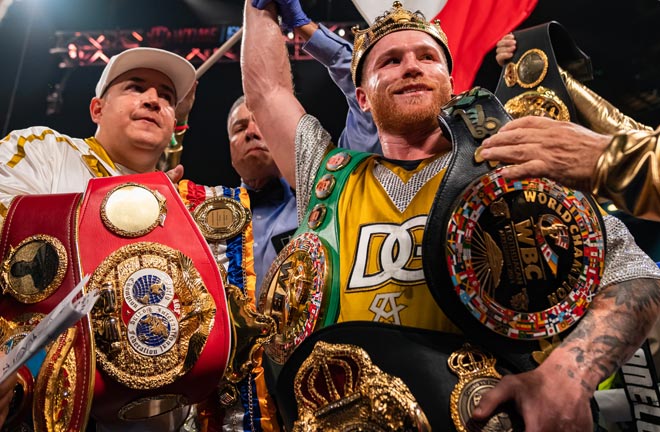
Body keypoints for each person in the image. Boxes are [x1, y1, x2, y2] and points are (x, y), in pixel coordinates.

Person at [241, 1, 660, 430]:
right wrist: (259, 9)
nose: (411, 67)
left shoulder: (513, 166)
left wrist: (570, 376)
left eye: (427, 57)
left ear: (451, 84)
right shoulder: (329, 180)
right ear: (362, 98)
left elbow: (633, 273)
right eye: (390, 60)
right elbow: (267, 92)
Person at [0, 46, 194, 216]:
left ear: (173, 124)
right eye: (136, 87)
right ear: (98, 110)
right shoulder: (43, 149)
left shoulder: (178, 204)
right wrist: (131, 208)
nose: (153, 100)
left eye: (166, 96)